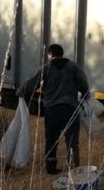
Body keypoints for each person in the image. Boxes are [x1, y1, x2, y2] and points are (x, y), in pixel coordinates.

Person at [16, 44, 89, 174]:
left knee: (51, 139)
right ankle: (73, 168)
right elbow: (84, 86)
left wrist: (20, 92)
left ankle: (50, 167)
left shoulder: (46, 68)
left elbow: (30, 84)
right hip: (70, 109)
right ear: (62, 53)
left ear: (50, 55)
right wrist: (83, 95)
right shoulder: (73, 67)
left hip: (52, 110)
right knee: (72, 141)